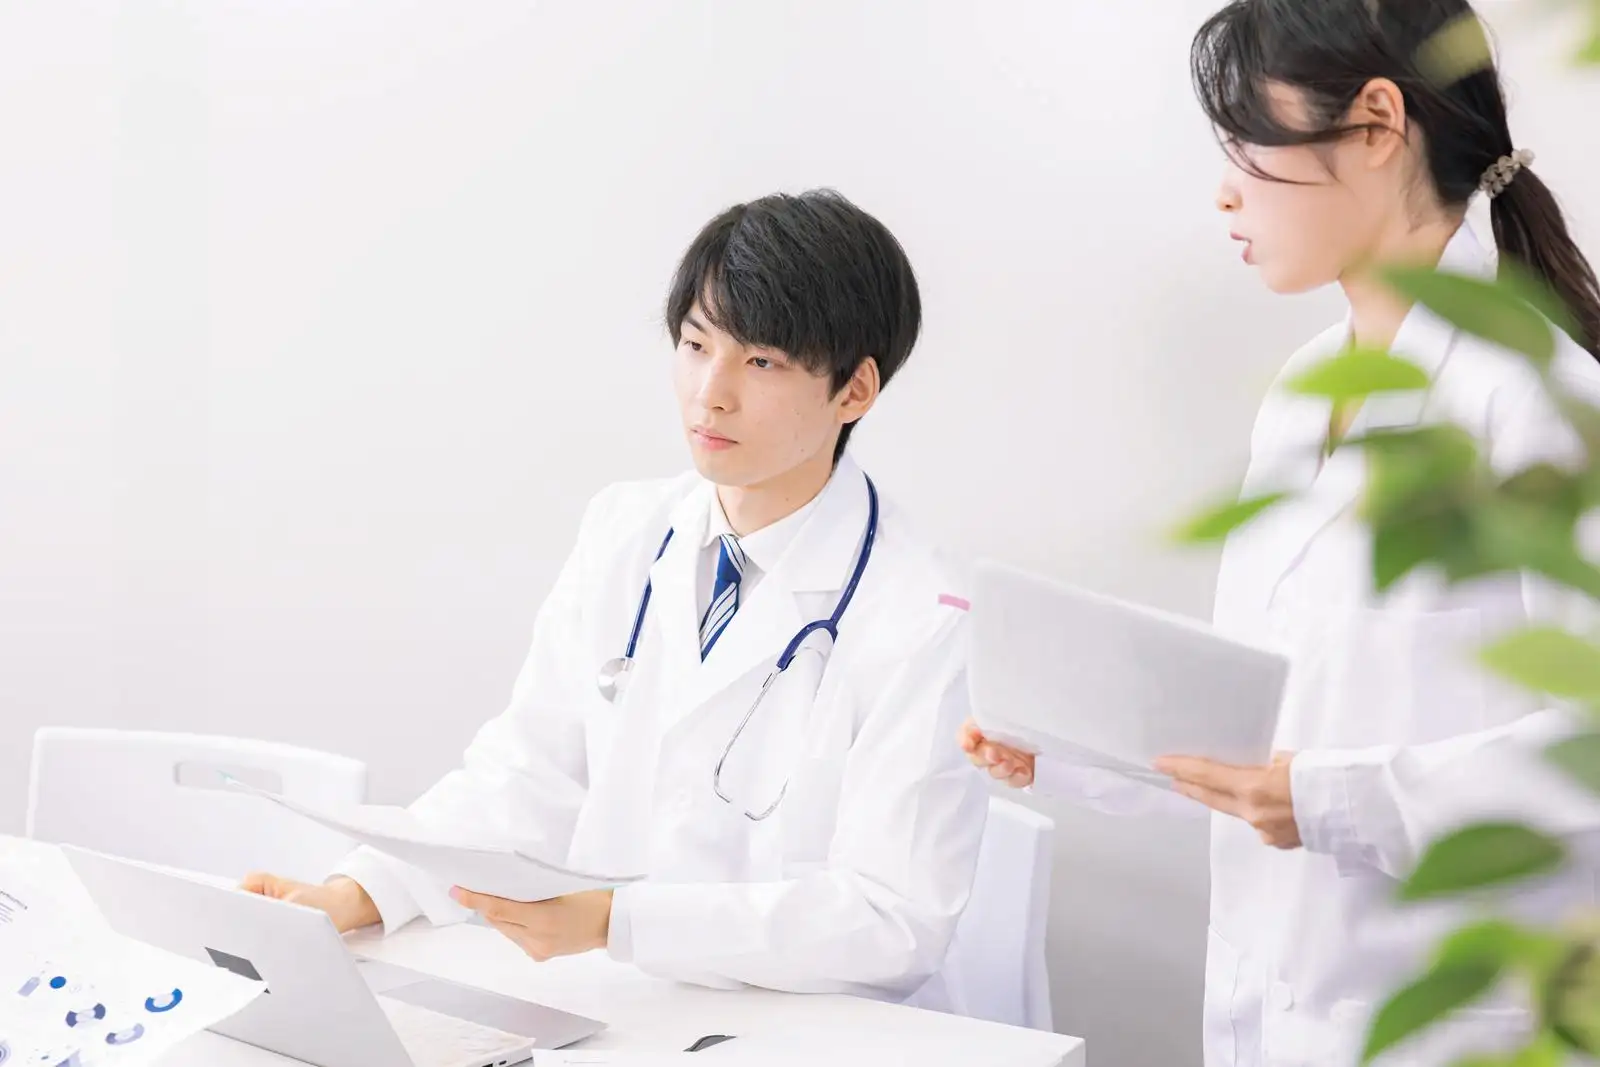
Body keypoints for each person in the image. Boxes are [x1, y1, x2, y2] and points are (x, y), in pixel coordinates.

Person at [964, 1, 1600, 1063]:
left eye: (1246, 146)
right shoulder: (1307, 392)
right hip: (1271, 1017)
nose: (1225, 191)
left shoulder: (1541, 404)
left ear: (1376, 123)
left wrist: (1329, 798)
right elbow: (1267, 733)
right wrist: (1069, 742)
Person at [244, 189, 987, 1010]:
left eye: (761, 362)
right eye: (696, 345)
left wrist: (619, 920)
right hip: (627, 1007)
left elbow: (891, 920)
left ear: (855, 391)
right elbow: (528, 772)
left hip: (826, 1027)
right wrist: (358, 893)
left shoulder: (928, 611)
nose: (711, 393)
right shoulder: (625, 530)